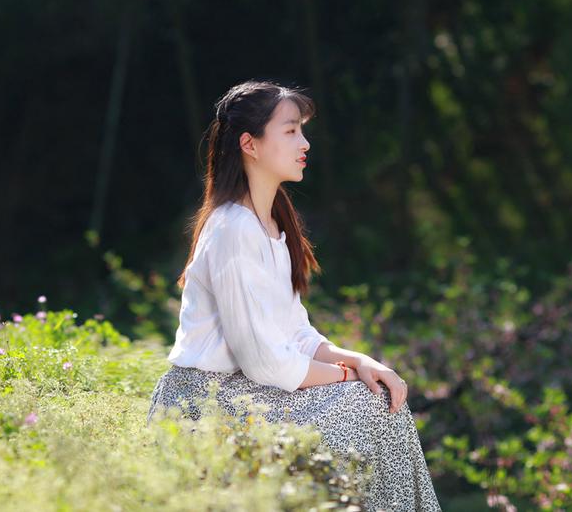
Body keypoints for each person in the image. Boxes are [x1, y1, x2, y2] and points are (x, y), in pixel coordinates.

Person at [146, 80, 442, 512]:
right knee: (365, 405)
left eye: (301, 130)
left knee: (378, 401)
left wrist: (361, 361)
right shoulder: (233, 230)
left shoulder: (270, 225)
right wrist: (347, 376)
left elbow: (295, 332)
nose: (304, 143)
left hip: (247, 393)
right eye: (290, 131)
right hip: (203, 403)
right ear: (250, 144)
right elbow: (264, 362)